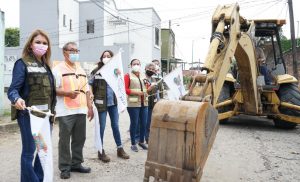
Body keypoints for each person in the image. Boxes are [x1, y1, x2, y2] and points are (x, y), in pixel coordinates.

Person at [7, 29, 56, 182]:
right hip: (29, 117)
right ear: (30, 45)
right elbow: (13, 89)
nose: (42, 45)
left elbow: (50, 92)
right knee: (29, 152)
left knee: (43, 151)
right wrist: (16, 99)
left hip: (45, 117)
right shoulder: (22, 64)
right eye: (38, 42)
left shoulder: (46, 66)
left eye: (45, 43)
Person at [52, 42, 94, 179]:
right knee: (64, 140)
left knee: (79, 139)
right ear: (64, 52)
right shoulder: (58, 69)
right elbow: (53, 90)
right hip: (65, 111)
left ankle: (76, 163)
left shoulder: (81, 70)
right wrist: (67, 93)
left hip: (81, 110)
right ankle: (64, 167)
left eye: (76, 50)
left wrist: (90, 107)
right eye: (72, 50)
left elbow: (87, 90)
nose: (75, 53)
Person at [89, 50, 129, 163]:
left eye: (108, 56)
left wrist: (122, 102)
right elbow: (90, 84)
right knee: (101, 127)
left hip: (113, 103)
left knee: (115, 126)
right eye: (104, 56)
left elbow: (120, 86)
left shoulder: (115, 70)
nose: (106, 57)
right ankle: (100, 151)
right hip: (101, 103)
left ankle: (120, 148)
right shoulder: (97, 70)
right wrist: (91, 94)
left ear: (112, 58)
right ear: (101, 58)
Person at [124, 59, 149, 152]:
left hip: (144, 103)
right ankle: (133, 143)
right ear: (130, 65)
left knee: (144, 123)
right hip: (133, 104)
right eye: (134, 64)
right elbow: (125, 89)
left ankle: (141, 141)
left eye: (138, 64)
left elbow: (146, 88)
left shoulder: (143, 76)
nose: (136, 65)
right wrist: (137, 93)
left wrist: (150, 87)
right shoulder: (127, 76)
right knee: (134, 123)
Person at [144, 62, 163, 144]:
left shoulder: (154, 79)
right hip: (144, 103)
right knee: (144, 122)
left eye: (153, 69)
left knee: (149, 122)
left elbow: (157, 92)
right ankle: (142, 138)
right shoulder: (142, 79)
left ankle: (148, 137)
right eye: (149, 69)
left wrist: (158, 101)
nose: (151, 70)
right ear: (145, 69)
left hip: (152, 103)